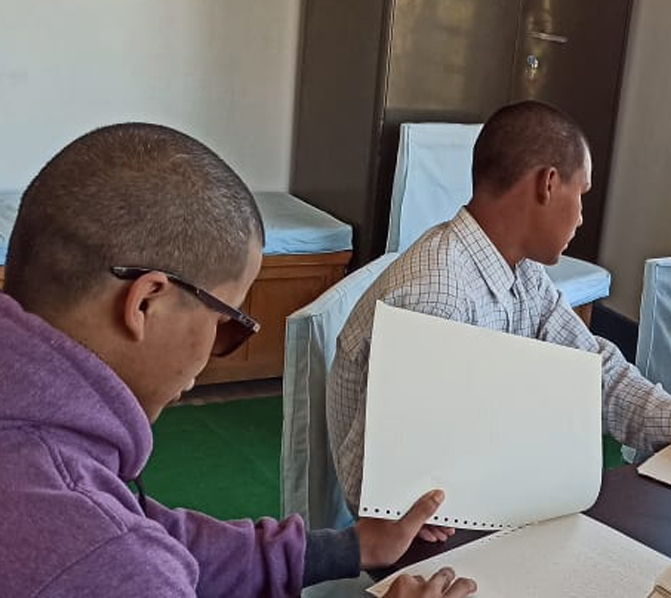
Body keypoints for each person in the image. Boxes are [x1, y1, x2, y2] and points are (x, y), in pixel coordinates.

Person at [0, 123, 474, 598]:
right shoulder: (103, 553)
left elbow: (160, 534)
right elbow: (128, 549)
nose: (210, 356)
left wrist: (350, 547)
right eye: (227, 322)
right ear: (145, 303)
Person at [328, 100, 671, 505]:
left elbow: (595, 372)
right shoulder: (437, 296)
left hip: (483, 493)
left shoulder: (519, 271)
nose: (582, 216)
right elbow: (377, 488)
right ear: (548, 184)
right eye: (581, 193)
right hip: (427, 534)